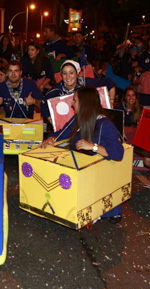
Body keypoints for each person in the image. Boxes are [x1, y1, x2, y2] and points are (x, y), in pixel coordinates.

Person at [40, 86, 124, 222]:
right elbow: (62, 134)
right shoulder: (78, 119)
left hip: (99, 178)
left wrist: (93, 146)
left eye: (75, 100)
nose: (72, 104)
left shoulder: (105, 124)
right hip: (81, 173)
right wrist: (52, 139)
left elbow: (118, 153)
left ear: (84, 103)